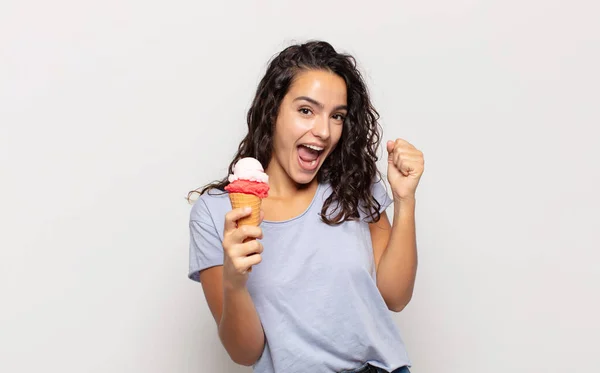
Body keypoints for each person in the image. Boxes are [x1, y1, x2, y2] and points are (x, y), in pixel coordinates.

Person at [187, 40, 424, 373]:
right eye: (306, 110)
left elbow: (395, 296)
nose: (324, 131)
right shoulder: (215, 213)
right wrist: (234, 282)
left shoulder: (351, 184)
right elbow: (245, 353)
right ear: (272, 110)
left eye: (337, 116)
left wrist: (405, 200)